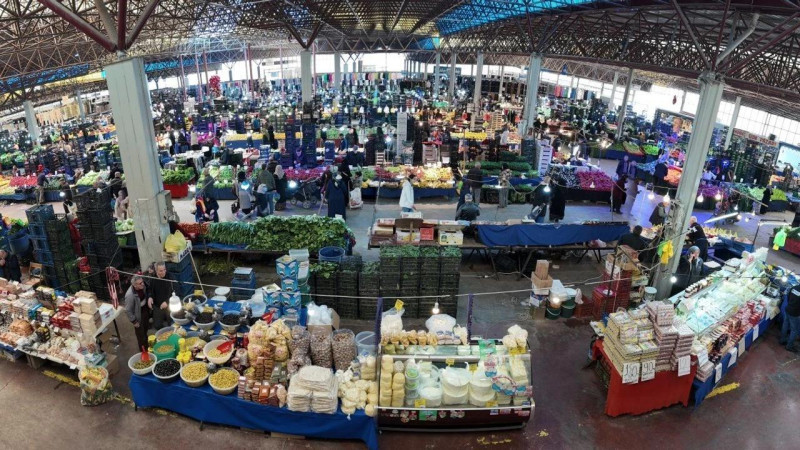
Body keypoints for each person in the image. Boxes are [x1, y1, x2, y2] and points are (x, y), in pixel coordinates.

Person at [124, 275, 151, 351]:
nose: (142, 284)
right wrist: (134, 321)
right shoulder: (130, 295)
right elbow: (128, 310)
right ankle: (143, 351)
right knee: (140, 335)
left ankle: (147, 345)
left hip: (145, 310)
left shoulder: (143, 285)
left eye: (142, 281)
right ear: (134, 285)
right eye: (140, 283)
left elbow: (148, 289)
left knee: (145, 330)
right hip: (138, 316)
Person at [149, 263, 174, 330]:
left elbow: (175, 291)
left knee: (172, 322)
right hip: (157, 305)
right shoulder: (152, 279)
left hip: (169, 304)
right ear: (156, 271)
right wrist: (150, 297)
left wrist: (167, 302)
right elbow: (150, 290)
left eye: (164, 269)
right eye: (161, 271)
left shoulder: (169, 277)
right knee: (157, 325)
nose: (163, 272)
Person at [781, 283, 800, 352]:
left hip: (788, 309)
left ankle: (782, 340)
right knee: (794, 330)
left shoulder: (794, 287)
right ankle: (789, 346)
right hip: (795, 313)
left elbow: (788, 297)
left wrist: (791, 305)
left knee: (785, 325)